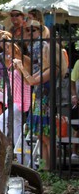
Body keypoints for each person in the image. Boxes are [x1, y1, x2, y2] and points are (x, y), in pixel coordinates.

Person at [14, 35, 69, 170]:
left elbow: (33, 81)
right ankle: (44, 168)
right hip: (37, 105)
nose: (40, 55)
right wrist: (20, 68)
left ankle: (51, 168)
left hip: (46, 106)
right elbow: (29, 79)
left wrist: (21, 67)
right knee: (41, 138)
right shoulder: (44, 69)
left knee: (47, 140)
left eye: (43, 53)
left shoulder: (53, 69)